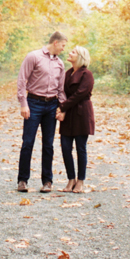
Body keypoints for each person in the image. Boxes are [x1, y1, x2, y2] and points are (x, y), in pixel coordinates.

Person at [16, 31, 67, 193]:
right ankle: (22, 180)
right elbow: (22, 80)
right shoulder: (34, 56)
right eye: (63, 45)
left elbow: (61, 89)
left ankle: (47, 181)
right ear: (56, 43)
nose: (64, 49)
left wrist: (62, 108)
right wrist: (23, 103)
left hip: (51, 105)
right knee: (28, 142)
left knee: (48, 145)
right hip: (34, 103)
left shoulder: (60, 63)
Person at [56, 45, 95, 193]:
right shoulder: (67, 73)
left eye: (73, 52)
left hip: (81, 114)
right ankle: (70, 179)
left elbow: (80, 94)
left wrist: (63, 107)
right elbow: (61, 92)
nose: (69, 53)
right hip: (68, 115)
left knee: (80, 148)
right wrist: (62, 108)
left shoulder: (87, 74)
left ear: (80, 57)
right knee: (65, 148)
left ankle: (80, 181)